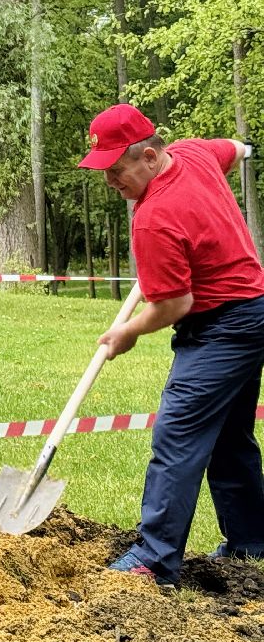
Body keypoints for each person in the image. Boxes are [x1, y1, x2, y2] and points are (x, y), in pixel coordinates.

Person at [80, 103, 264, 586]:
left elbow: (174, 305)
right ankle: (250, 542)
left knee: (177, 435)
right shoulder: (192, 154)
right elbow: (230, 149)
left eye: (117, 170)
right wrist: (248, 148)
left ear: (147, 155)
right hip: (253, 314)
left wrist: (127, 332)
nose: (111, 182)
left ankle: (154, 557)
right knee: (228, 437)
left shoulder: (154, 218)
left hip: (221, 327)